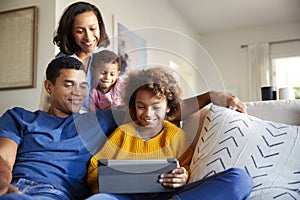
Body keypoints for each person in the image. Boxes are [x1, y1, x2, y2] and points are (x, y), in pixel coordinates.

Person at [0, 57, 247, 199]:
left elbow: (162, 109)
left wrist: (212, 96)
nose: (77, 93)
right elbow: (3, 158)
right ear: (48, 86)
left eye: (83, 85)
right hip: (24, 188)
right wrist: (3, 184)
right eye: (68, 84)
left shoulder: (97, 120)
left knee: (238, 180)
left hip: (160, 196)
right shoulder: (19, 117)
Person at [86, 67, 253, 200]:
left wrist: (182, 177)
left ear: (168, 107)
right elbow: (94, 169)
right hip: (122, 197)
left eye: (156, 107)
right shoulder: (123, 132)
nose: (148, 114)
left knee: (240, 180)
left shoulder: (176, 136)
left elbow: (186, 169)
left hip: (167, 196)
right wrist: (105, 183)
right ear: (133, 105)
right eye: (141, 106)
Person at [39, 1, 110, 112]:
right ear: (70, 33)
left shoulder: (98, 62)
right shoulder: (60, 65)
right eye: (80, 31)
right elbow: (45, 108)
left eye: (92, 29)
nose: (88, 37)